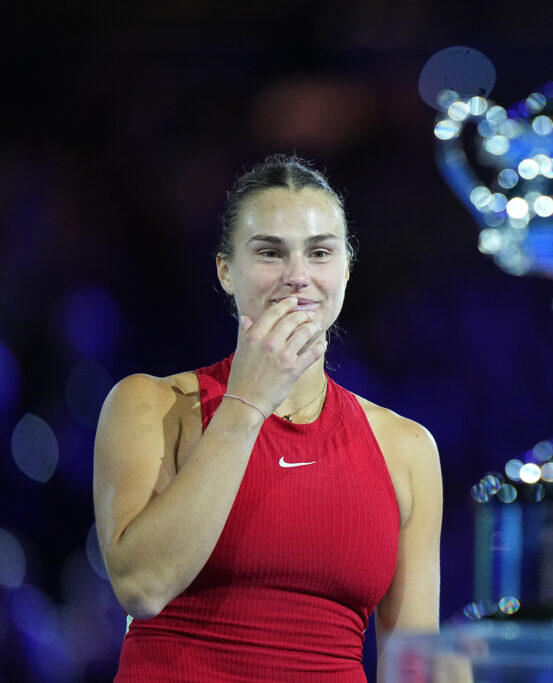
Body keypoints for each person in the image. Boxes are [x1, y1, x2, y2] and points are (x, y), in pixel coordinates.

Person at [93, 154, 442, 681]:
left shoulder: (407, 448)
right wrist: (247, 404)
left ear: (346, 269)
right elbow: (142, 587)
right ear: (226, 271)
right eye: (270, 253)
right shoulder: (151, 405)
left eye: (320, 252)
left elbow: (417, 667)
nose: (297, 277)